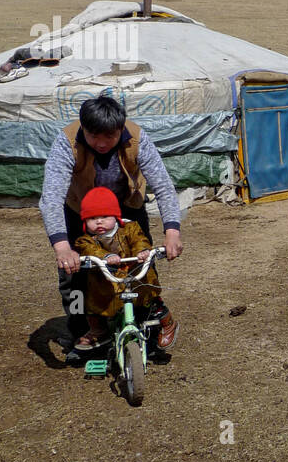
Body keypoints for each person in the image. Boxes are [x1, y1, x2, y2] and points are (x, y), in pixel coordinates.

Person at [39, 96, 184, 350]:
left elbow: (163, 185)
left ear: (120, 129)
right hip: (81, 213)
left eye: (110, 136)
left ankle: (140, 327)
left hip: (128, 208)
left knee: (140, 266)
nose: (102, 143)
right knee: (76, 275)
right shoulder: (67, 142)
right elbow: (51, 197)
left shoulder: (137, 139)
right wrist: (62, 246)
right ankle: (84, 329)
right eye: (94, 136)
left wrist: (172, 230)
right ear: (83, 128)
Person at [72, 187, 178, 349]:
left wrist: (142, 251)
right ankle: (99, 330)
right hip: (105, 280)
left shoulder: (130, 228)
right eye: (92, 218)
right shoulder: (86, 239)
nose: (99, 222)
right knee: (93, 303)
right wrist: (105, 257)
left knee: (150, 299)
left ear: (115, 216)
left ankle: (167, 323)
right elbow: (88, 250)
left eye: (105, 216)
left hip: (135, 274)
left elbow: (139, 240)